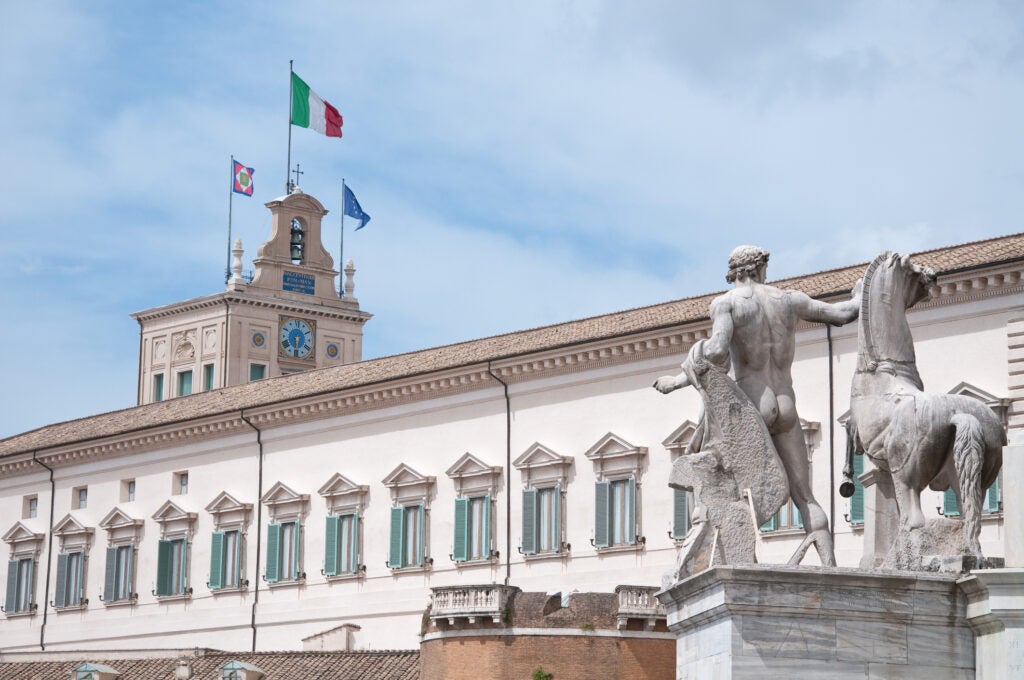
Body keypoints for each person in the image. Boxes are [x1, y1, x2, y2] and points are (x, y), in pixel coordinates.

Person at [654, 245, 861, 566]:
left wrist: (680, 375)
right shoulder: (790, 300)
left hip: (751, 406)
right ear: (762, 268)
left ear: (733, 272)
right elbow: (844, 314)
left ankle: (733, 563)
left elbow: (717, 349)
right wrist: (863, 293)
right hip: (786, 403)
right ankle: (829, 567)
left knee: (725, 487)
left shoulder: (727, 304)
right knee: (804, 494)